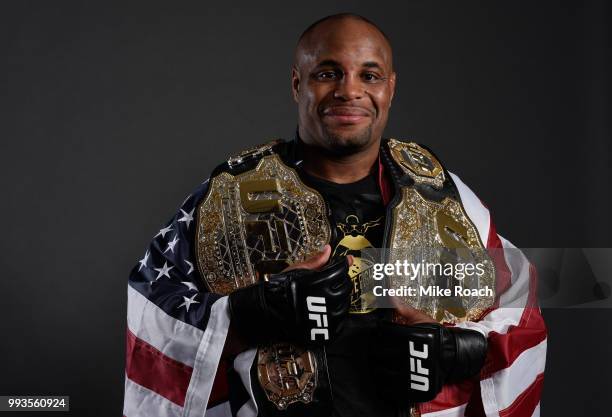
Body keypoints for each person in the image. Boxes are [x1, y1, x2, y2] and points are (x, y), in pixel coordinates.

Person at [123, 14, 547, 417]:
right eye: (328, 73)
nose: (350, 90)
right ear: (297, 84)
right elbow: (152, 309)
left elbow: (516, 299)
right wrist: (250, 311)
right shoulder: (230, 196)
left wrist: (458, 351)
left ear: (390, 88)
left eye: (369, 75)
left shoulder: (442, 194)